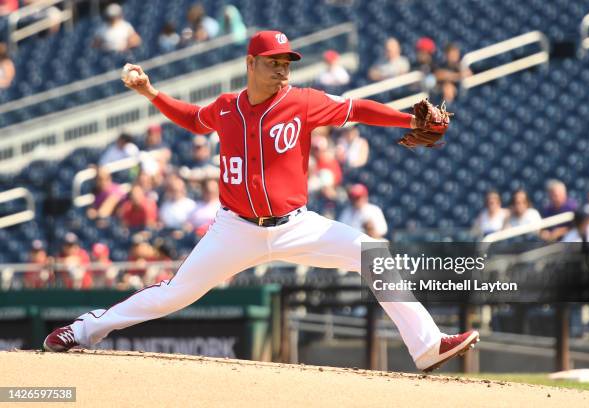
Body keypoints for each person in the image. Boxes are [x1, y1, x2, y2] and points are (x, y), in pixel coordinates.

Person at [44, 30, 478, 373]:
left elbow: (356, 109)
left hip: (296, 225)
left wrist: (406, 119)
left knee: (373, 254)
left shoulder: (303, 103)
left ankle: (426, 346)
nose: (282, 71)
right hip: (234, 229)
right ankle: (84, 329)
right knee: (172, 295)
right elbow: (194, 120)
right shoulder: (226, 107)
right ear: (250, 63)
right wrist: (152, 94)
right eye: (273, 63)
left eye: (287, 63)